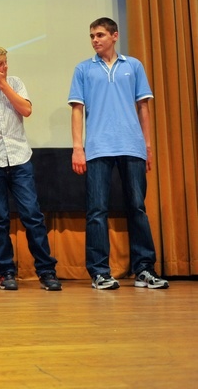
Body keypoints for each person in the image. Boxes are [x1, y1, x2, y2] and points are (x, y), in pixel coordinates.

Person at [68, 17, 169, 290]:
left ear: (114, 36)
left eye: (100, 35)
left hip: (132, 145)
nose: (95, 40)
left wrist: (147, 146)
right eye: (92, 36)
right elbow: (77, 109)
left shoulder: (133, 66)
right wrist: (78, 147)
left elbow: (143, 108)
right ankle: (100, 272)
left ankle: (144, 269)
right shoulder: (83, 69)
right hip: (98, 147)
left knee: (137, 207)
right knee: (97, 210)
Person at [0, 44, 62, 291]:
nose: (5, 67)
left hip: (20, 159)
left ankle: (46, 271)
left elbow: (27, 110)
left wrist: (4, 85)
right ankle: (6, 272)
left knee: (32, 216)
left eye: (5, 62)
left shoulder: (16, 83)